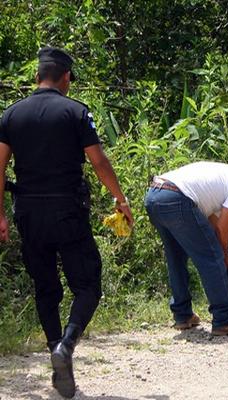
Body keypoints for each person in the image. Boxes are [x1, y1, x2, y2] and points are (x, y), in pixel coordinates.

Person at [0, 47, 133, 398]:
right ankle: (66, 347)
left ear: (37, 76)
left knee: (45, 288)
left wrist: (0, 214)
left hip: (28, 213)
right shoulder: (76, 112)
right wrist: (121, 199)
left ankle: (54, 348)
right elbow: (98, 162)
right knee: (88, 285)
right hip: (67, 212)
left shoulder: (11, 115)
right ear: (66, 77)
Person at [144, 156, 228, 336]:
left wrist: (219, 246)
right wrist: (224, 256)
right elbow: (225, 225)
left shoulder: (221, 173)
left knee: (176, 257)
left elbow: (213, 223)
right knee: (212, 258)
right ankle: (225, 319)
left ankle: (182, 315)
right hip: (177, 198)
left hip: (155, 196)